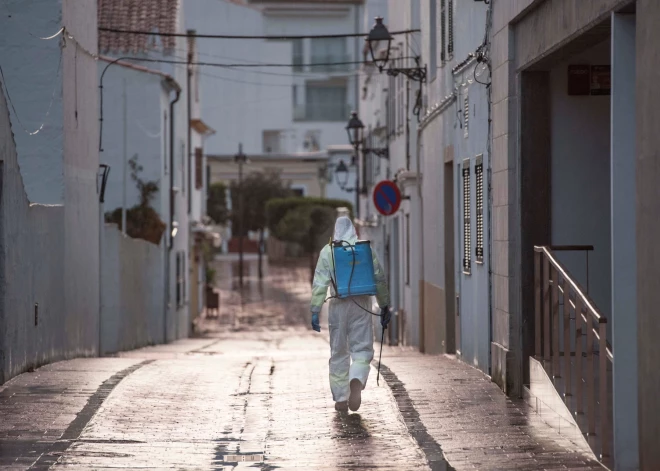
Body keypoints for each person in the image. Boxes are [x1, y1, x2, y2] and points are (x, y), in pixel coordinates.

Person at [310, 216, 391, 412]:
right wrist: (384, 305)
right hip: (361, 303)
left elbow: (320, 283)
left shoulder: (328, 251)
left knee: (338, 352)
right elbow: (378, 278)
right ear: (353, 229)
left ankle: (340, 398)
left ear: (335, 231)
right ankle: (356, 378)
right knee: (362, 349)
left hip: (338, 305)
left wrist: (315, 310)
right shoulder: (364, 249)